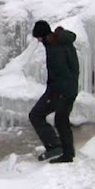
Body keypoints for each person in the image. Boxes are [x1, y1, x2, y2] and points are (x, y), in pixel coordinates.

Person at [29, 20, 80, 163]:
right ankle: (62, 150)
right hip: (65, 89)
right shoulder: (58, 42)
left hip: (61, 90)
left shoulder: (56, 47)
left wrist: (58, 93)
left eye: (38, 37)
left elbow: (62, 72)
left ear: (43, 35)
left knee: (39, 115)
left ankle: (60, 150)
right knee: (59, 120)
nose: (38, 41)